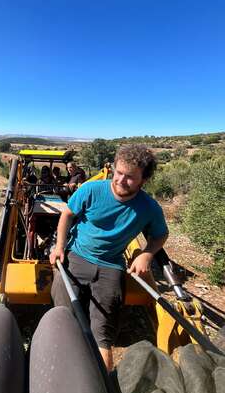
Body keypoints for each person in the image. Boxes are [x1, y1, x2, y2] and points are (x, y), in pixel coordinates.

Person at [50, 145, 169, 371]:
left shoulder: (149, 208)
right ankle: (62, 362)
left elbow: (161, 234)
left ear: (144, 180)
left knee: (103, 332)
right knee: (63, 314)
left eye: (130, 177)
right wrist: (59, 247)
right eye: (118, 172)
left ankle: (103, 389)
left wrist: (146, 254)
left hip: (111, 265)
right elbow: (67, 213)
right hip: (77, 256)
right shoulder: (92, 190)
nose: (120, 180)